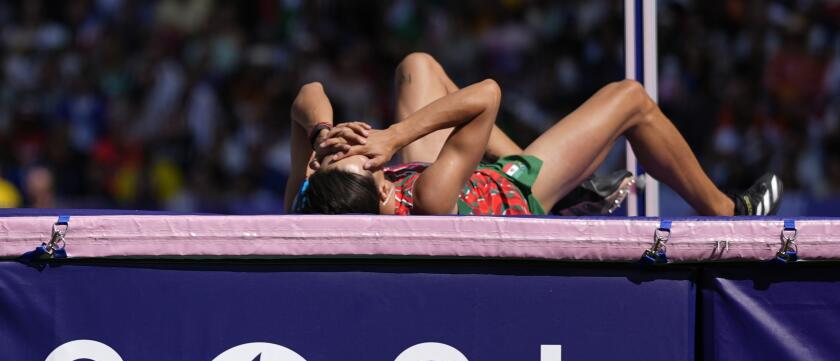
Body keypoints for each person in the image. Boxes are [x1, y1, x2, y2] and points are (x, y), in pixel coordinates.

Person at [285, 52, 782, 217]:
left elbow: (305, 97)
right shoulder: (430, 199)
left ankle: (572, 193)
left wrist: (321, 135)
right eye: (358, 158)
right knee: (630, 99)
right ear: (387, 185)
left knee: (418, 66)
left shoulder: (312, 205)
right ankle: (728, 211)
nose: (356, 147)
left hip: (464, 175)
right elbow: (487, 95)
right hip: (516, 192)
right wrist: (394, 136)